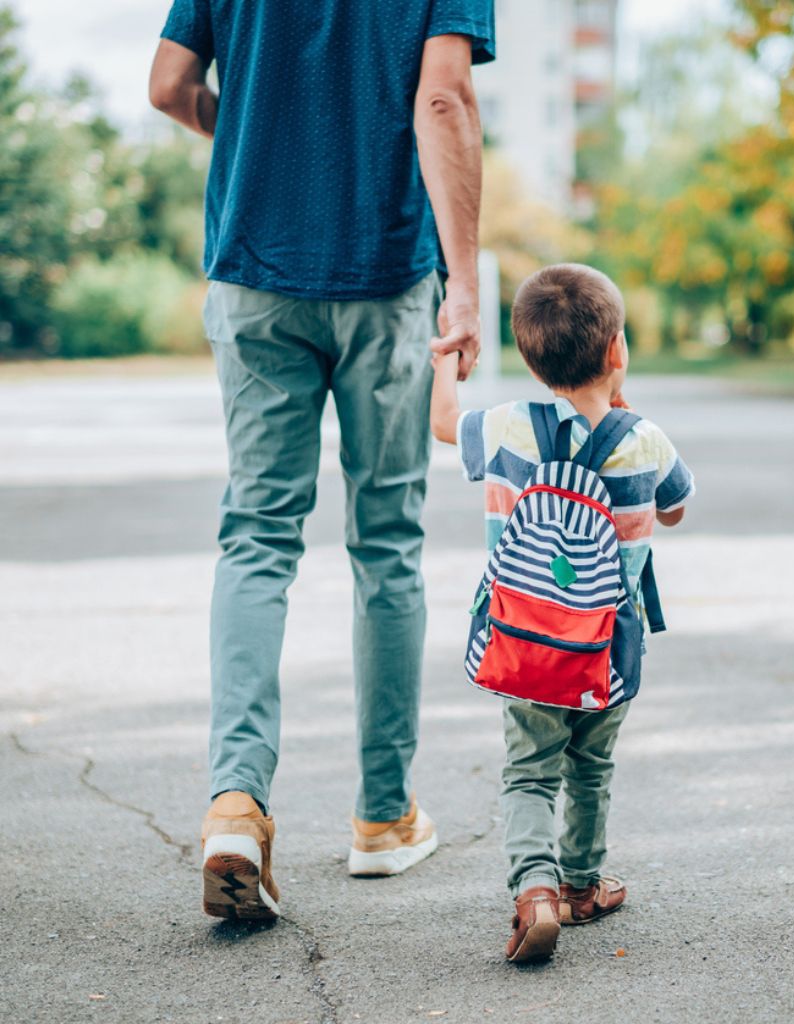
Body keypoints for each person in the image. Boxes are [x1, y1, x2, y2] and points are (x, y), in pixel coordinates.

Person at [148, 0, 495, 921]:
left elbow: (170, 86)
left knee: (258, 537)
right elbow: (445, 102)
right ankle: (382, 818)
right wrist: (465, 283)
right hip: (384, 275)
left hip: (254, 267)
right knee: (385, 541)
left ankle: (236, 802)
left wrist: (256, 136)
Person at [429, 263, 695, 961]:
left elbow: (442, 425)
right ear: (617, 351)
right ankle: (581, 885)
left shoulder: (508, 428)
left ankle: (534, 891)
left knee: (528, 771)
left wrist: (447, 360)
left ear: (528, 356)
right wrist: (622, 407)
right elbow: (674, 509)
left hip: (523, 646)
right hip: (606, 650)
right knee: (590, 766)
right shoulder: (646, 441)